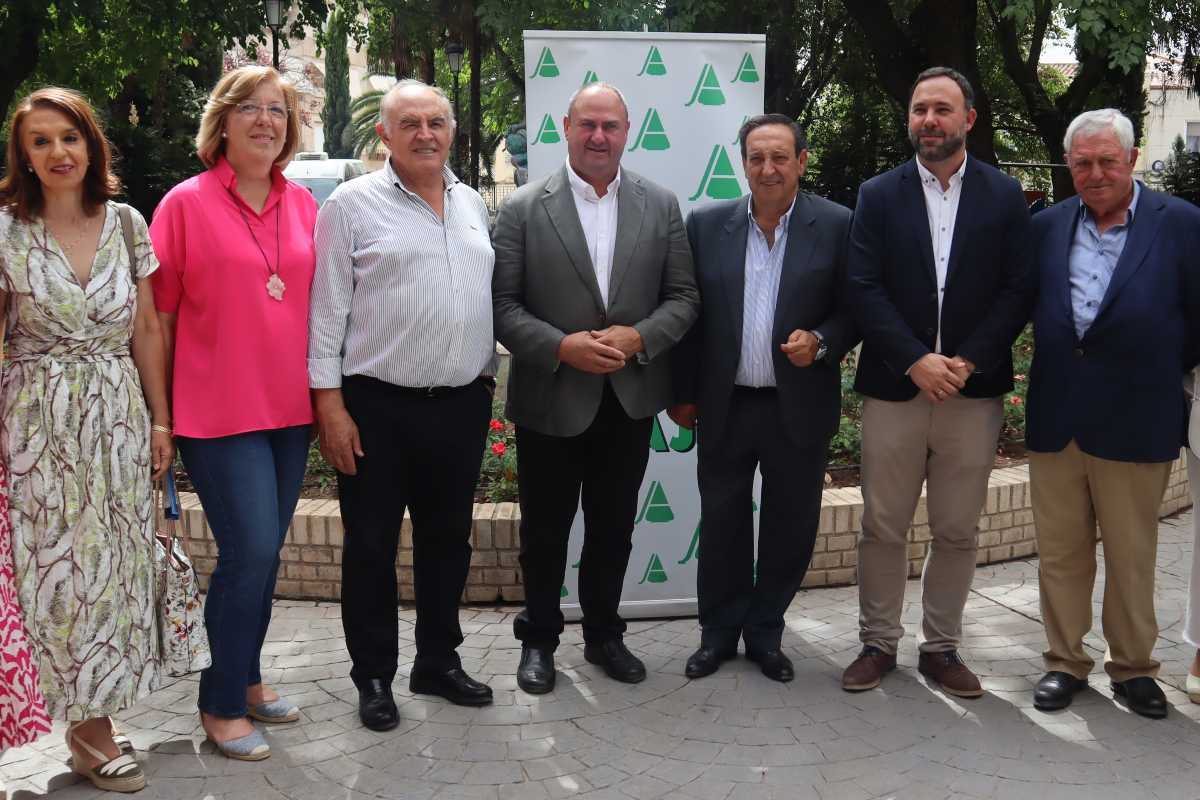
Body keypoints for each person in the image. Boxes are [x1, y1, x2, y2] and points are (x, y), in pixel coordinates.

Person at [492, 82, 699, 694]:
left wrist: (638, 338)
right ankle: (539, 642)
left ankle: (605, 634)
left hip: (627, 398)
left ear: (627, 130)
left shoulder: (660, 205)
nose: (599, 136)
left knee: (614, 526)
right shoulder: (524, 208)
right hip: (551, 396)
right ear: (566, 126)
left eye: (610, 125)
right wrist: (562, 346)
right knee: (545, 529)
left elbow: (684, 298)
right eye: (588, 124)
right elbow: (503, 306)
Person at [309, 79, 497, 731]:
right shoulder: (349, 205)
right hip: (375, 409)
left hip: (460, 406)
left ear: (452, 131)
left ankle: (437, 662)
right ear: (384, 135)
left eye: (436, 122)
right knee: (371, 547)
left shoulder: (472, 203)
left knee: (448, 543)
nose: (425, 133)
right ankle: (375, 678)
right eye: (409, 123)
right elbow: (327, 311)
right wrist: (329, 405)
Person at [0, 87, 172, 792]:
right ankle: (84, 730)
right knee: (49, 575)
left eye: (68, 137)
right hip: (35, 424)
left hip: (117, 420)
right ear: (25, 157)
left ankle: (89, 723)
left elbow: (148, 328)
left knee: (109, 571)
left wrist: (161, 419)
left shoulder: (128, 224)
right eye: (40, 142)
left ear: (90, 144)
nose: (58, 153)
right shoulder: (5, 231)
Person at [843, 67, 1033, 698]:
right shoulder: (877, 194)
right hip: (897, 387)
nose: (929, 119)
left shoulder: (1007, 196)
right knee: (882, 524)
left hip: (970, 393)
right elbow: (862, 287)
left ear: (968, 120)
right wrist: (914, 359)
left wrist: (969, 360)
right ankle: (877, 643)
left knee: (957, 528)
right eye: (919, 108)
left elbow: (1017, 290)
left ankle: (941, 648)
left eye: (942, 109)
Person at [149, 65, 317, 759]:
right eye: (249, 108)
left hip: (290, 411)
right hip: (215, 415)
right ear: (222, 121)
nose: (264, 121)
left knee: (266, 557)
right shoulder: (184, 204)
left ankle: (247, 679)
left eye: (277, 110)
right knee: (248, 551)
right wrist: (159, 416)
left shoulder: (304, 204)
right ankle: (220, 704)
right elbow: (153, 322)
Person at [1025, 108, 1200, 719]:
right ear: (1069, 165)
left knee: (1132, 553)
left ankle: (1132, 669)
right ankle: (1064, 662)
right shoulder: (1045, 227)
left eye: (1106, 161)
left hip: (1137, 415)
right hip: (1058, 416)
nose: (1095, 173)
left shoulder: (1180, 224)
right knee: (1062, 551)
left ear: (1130, 160)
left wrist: (1160, 373)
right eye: (1082, 163)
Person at [668, 114, 856, 682]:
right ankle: (718, 633)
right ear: (743, 163)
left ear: (801, 160)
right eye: (757, 158)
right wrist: (681, 393)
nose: (768, 169)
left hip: (797, 405)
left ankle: (767, 632)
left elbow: (854, 307)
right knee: (721, 521)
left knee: (789, 524)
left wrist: (823, 340)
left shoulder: (838, 224)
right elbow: (687, 314)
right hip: (726, 404)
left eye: (780, 157)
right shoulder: (706, 225)